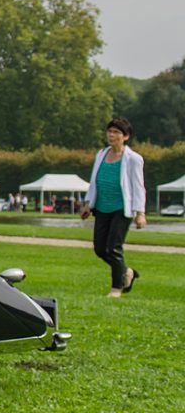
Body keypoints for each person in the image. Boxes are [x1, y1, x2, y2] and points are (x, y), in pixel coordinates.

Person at [81, 117, 147, 297]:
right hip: (101, 207)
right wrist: (88, 204)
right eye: (110, 131)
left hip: (121, 209)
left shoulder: (133, 159)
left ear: (125, 137)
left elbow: (138, 186)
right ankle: (127, 272)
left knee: (113, 248)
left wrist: (140, 213)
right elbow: (95, 180)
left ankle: (116, 288)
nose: (111, 135)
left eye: (116, 132)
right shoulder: (101, 154)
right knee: (100, 249)